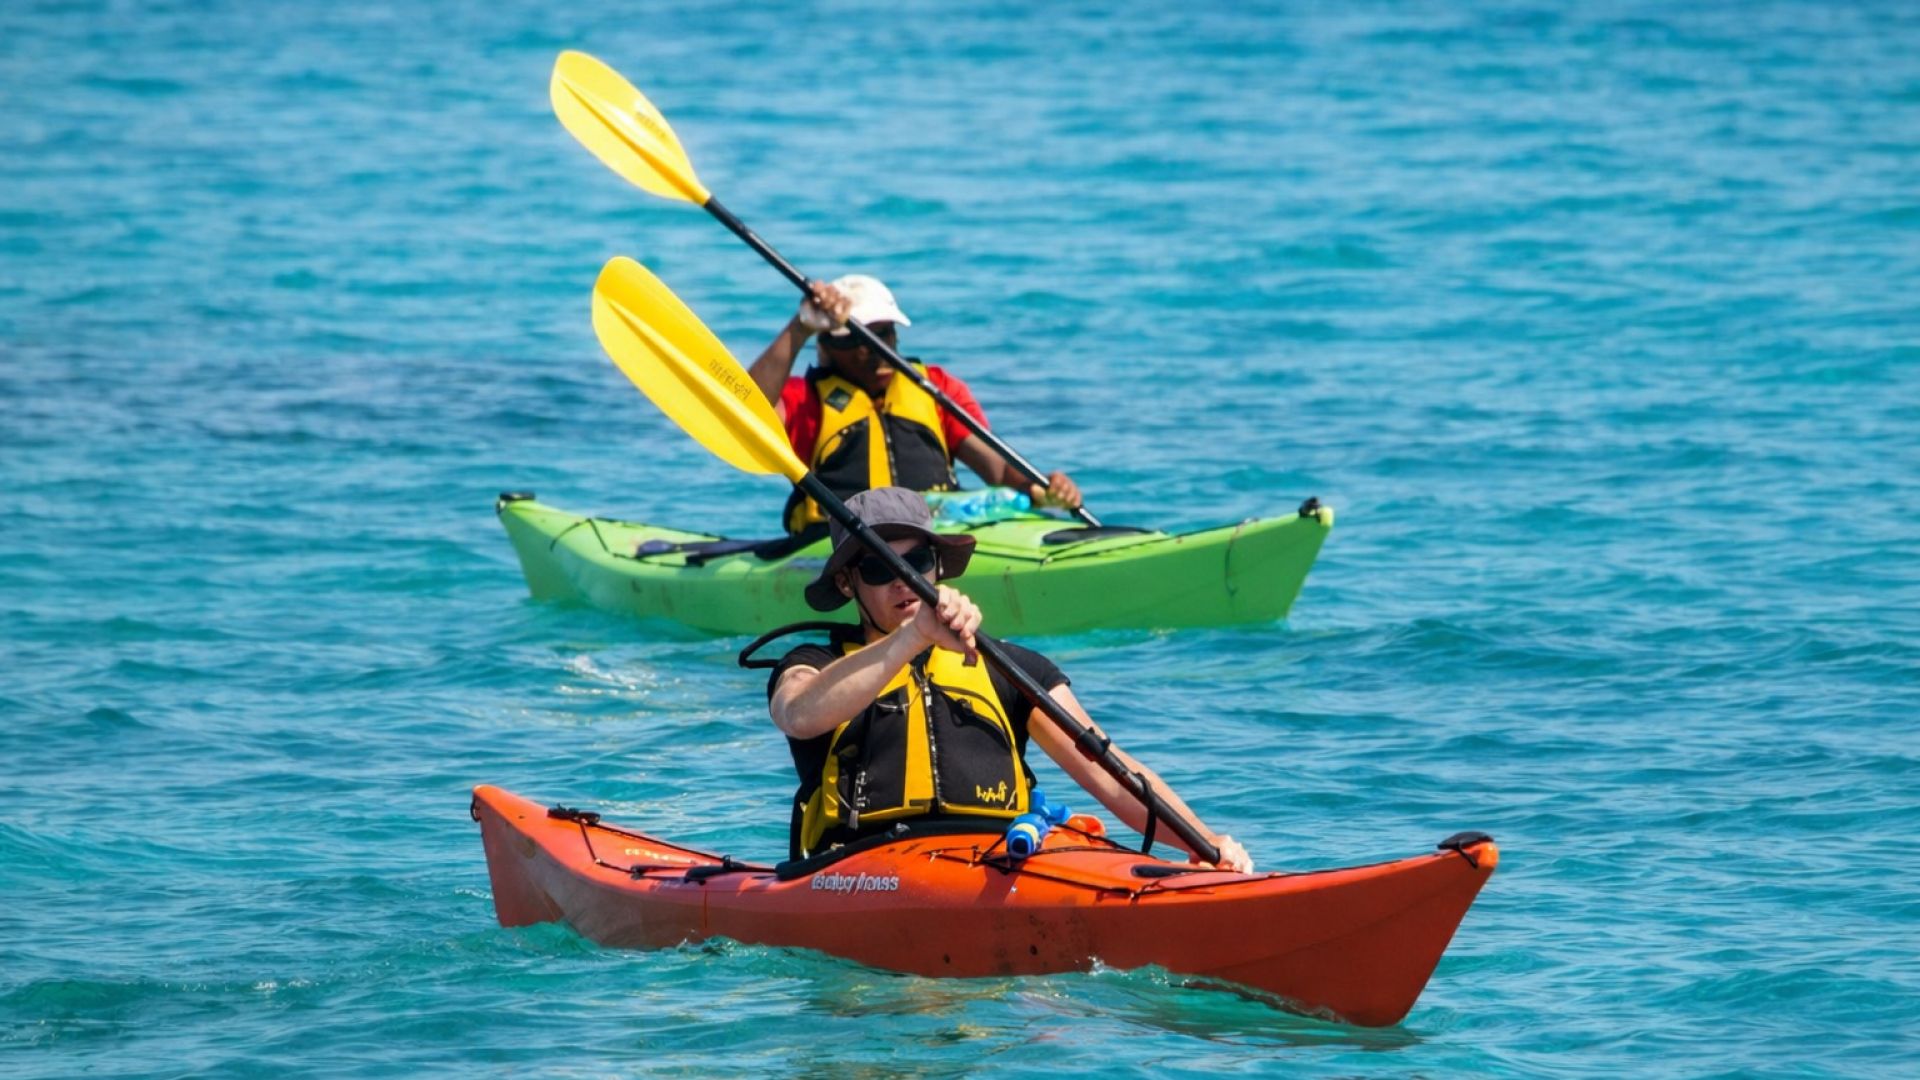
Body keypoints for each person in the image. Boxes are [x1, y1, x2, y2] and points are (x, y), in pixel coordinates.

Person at [755, 486, 1251, 870]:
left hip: (998, 864)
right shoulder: (815, 662)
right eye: (879, 567)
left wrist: (1203, 843)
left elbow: (1110, 771)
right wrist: (912, 638)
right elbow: (797, 714)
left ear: (938, 569)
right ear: (847, 583)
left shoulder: (1012, 668)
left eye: (918, 562)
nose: (904, 580)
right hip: (863, 871)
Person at [746, 275, 1082, 534]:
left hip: (938, 530)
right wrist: (800, 328)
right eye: (860, 338)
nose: (875, 349)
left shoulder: (936, 388)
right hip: (845, 540)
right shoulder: (804, 400)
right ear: (827, 348)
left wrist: (1044, 490)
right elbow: (747, 411)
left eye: (885, 334)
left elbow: (998, 472)